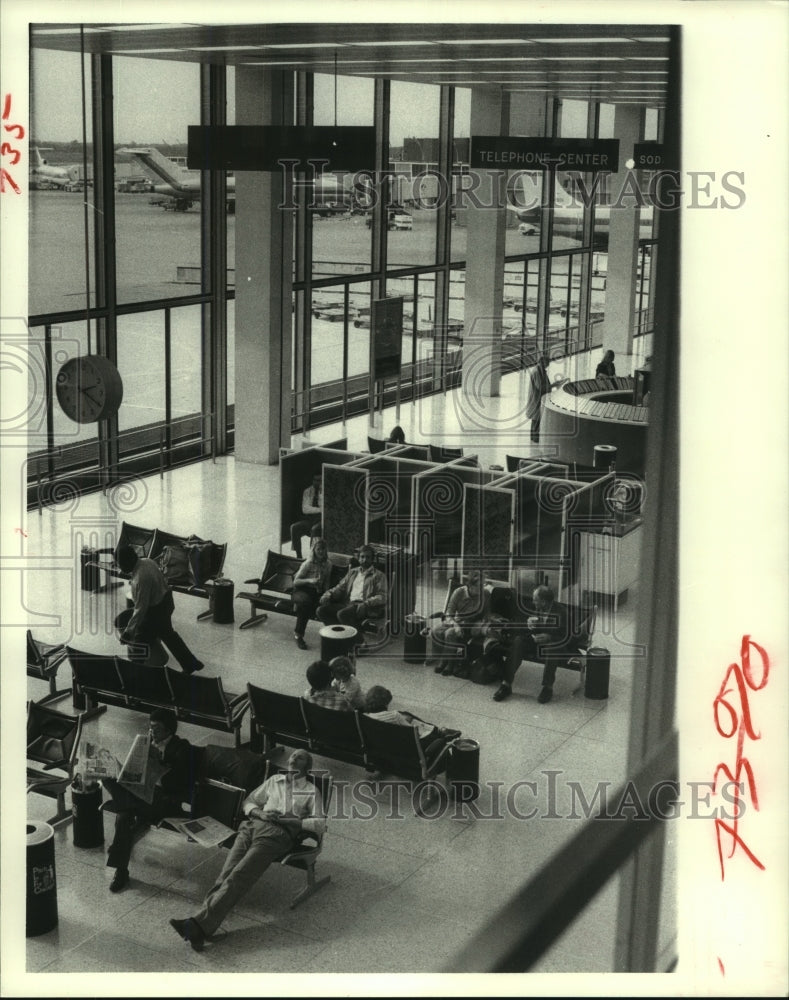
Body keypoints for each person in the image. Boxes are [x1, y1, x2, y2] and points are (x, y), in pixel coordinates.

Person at [169, 749, 325, 951]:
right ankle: (199, 929)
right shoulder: (274, 780)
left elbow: (320, 823)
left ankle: (197, 925)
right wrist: (260, 812)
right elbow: (249, 801)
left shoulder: (311, 791)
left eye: (300, 757)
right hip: (251, 826)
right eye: (293, 756)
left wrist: (289, 820)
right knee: (225, 875)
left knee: (239, 876)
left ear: (307, 766)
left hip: (276, 835)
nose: (294, 758)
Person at [102, 710, 205, 893]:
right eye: (150, 729)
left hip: (162, 802)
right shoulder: (146, 743)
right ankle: (121, 871)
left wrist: (156, 766)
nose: (152, 734)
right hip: (140, 796)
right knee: (112, 788)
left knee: (123, 815)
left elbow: (180, 784)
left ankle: (121, 852)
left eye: (156, 730)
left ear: (169, 731)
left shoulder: (183, 749)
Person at [115, 544, 204, 674]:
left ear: (128, 561)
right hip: (165, 601)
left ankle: (133, 674)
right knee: (168, 635)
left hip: (155, 611)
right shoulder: (147, 561)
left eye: (120, 564)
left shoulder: (141, 578)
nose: (120, 567)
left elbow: (141, 608)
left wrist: (128, 631)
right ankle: (191, 663)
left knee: (140, 640)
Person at [492, 585, 570, 705]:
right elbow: (530, 628)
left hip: (554, 644)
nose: (533, 602)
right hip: (537, 641)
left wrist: (550, 637)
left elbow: (568, 636)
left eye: (535, 599)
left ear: (543, 602)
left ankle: (547, 687)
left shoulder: (561, 612)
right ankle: (506, 684)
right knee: (519, 641)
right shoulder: (538, 608)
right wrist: (529, 625)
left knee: (551, 648)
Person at [363, 685, 461, 763]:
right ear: (385, 702)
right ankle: (441, 733)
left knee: (405, 715)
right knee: (418, 725)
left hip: (386, 748)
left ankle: (440, 731)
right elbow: (414, 734)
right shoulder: (394, 716)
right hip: (410, 751)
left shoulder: (365, 717)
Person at [427, 569, 495, 677]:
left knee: (450, 633)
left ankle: (448, 663)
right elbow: (449, 613)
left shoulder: (485, 594)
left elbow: (487, 613)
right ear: (471, 586)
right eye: (480, 585)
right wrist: (456, 625)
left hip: (472, 624)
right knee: (436, 630)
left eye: (483, 584)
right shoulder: (459, 592)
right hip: (457, 621)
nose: (483, 587)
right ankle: (443, 658)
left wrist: (485, 622)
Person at [316, 544, 388, 629]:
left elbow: (382, 596)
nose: (365, 560)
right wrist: (328, 594)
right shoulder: (353, 572)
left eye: (368, 557)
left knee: (342, 614)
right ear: (358, 558)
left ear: (372, 559)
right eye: (362, 557)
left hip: (364, 606)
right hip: (348, 604)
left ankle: (357, 639)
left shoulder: (379, 575)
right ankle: (340, 634)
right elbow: (340, 587)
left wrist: (367, 603)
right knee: (321, 611)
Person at [290, 537, 332, 650]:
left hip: (316, 592)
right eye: (318, 549)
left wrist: (325, 594)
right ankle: (298, 635)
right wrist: (310, 580)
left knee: (321, 606)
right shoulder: (308, 563)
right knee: (305, 604)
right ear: (314, 550)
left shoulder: (328, 564)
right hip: (301, 590)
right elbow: (296, 581)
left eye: (323, 549)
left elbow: (327, 582)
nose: (321, 552)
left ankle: (333, 638)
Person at [289, 472, 323, 560]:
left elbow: (326, 510)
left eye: (319, 480)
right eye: (315, 480)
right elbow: (305, 509)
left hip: (322, 520)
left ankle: (312, 556)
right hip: (310, 519)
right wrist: (320, 509)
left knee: (315, 529)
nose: (317, 482)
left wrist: (320, 498)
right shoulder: (307, 491)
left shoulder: (326, 491)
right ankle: (298, 556)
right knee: (294, 527)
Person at [526, 352, 551, 443]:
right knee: (536, 418)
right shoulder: (537, 372)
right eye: (547, 363)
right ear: (542, 362)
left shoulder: (540, 370)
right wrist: (552, 386)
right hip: (536, 399)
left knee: (536, 418)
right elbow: (539, 386)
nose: (547, 366)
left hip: (537, 399)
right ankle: (535, 437)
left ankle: (534, 437)